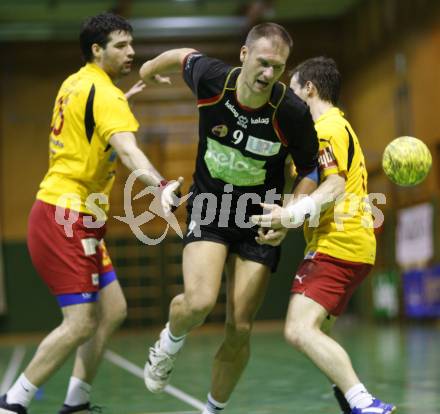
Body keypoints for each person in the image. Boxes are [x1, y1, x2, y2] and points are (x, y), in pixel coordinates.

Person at [0, 13, 181, 414]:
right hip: (66, 215)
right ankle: (14, 402)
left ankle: (76, 401)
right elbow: (129, 150)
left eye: (131, 43)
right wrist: (160, 185)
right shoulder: (107, 96)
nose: (131, 51)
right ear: (97, 49)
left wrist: (127, 95)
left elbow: (90, 125)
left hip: (74, 215)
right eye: (120, 45)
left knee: (112, 309)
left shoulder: (75, 83)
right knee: (80, 322)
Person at [139, 23, 319, 414]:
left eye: (279, 67)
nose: (269, 74)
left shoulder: (291, 113)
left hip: (260, 219)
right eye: (264, 62)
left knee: (240, 326)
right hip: (211, 206)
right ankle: (169, 342)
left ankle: (213, 408)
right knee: (200, 301)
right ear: (244, 55)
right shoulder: (213, 80)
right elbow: (181, 54)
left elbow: (310, 172)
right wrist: (149, 68)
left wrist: (289, 213)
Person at [251, 57, 395, 414]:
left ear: (310, 90)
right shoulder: (336, 126)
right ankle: (352, 400)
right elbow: (319, 187)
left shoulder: (326, 128)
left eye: (295, 91)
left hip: (339, 244)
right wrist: (286, 222)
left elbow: (333, 188)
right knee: (318, 330)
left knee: (298, 329)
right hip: (351, 243)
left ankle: (365, 403)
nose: (290, 100)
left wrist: (290, 214)